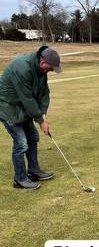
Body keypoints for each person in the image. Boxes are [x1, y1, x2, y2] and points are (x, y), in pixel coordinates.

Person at [0, 46, 62, 190]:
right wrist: (40, 121)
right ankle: (20, 179)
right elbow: (27, 99)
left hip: (22, 108)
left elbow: (44, 93)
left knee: (33, 138)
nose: (51, 71)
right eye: (51, 68)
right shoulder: (23, 68)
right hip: (7, 107)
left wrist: (44, 116)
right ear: (42, 63)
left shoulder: (41, 71)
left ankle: (33, 171)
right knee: (21, 143)